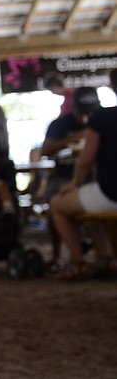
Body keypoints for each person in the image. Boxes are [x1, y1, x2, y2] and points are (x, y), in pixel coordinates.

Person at [49, 91, 117, 280]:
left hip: (110, 193)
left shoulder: (104, 117)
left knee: (58, 204)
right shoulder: (97, 116)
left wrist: (75, 183)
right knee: (87, 203)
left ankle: (79, 263)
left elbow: (87, 158)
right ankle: (106, 259)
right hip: (103, 191)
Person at [40, 86, 101, 268]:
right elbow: (45, 150)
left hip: (94, 176)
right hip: (63, 175)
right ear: (72, 107)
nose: (86, 116)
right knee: (53, 202)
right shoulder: (60, 124)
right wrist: (73, 138)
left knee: (94, 208)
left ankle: (97, 256)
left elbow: (87, 159)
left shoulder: (101, 121)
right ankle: (57, 254)